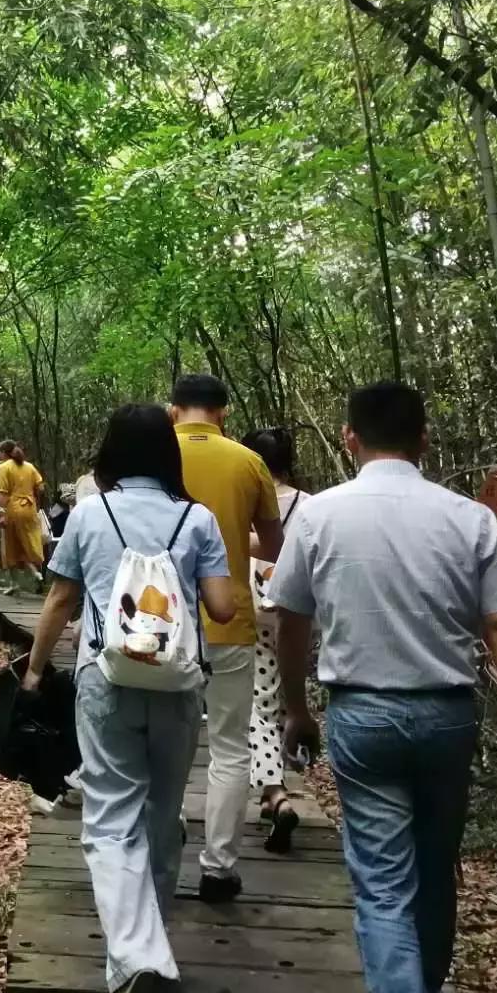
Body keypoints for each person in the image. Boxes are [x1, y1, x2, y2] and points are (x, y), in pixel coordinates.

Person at [271, 382, 497, 993]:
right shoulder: (468, 518)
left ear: (348, 438)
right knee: (432, 868)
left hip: (362, 717)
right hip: (447, 717)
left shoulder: (317, 516)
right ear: (424, 440)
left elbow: (292, 619)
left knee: (383, 887)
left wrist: (296, 707)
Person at [21, 404, 235, 993]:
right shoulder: (197, 517)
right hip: (176, 685)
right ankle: (151, 945)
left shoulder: (90, 512)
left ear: (111, 453)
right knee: (165, 817)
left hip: (105, 680)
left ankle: (134, 957)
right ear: (168, 454)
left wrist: (35, 672)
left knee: (111, 819)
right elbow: (221, 607)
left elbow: (60, 599)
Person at [170, 373, 284, 902]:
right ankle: (218, 866)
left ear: (174, 410)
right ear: (225, 412)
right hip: (230, 620)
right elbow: (273, 544)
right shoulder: (248, 461)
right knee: (231, 749)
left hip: (161, 625)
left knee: (164, 743)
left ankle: (164, 837)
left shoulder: (153, 454)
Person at [241, 426, 311, 853]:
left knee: (258, 704)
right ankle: (279, 783)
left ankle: (275, 792)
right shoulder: (311, 506)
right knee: (287, 699)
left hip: (251, 611)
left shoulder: (243, 502)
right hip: (297, 615)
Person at [0, 441, 45, 584]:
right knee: (28, 542)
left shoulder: (3, 467)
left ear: (3, 453)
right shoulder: (29, 467)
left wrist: (2, 515)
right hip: (29, 508)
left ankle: (14, 583)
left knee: (11, 546)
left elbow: (3, 494)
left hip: (13, 509)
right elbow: (41, 487)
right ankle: (36, 572)